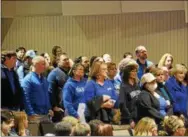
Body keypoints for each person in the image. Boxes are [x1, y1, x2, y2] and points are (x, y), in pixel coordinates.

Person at [119, 58, 140, 128]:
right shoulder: (123, 86)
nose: (135, 73)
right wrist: (130, 119)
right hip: (128, 119)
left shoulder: (136, 85)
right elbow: (122, 104)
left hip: (138, 117)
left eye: (135, 71)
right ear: (127, 72)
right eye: (132, 71)